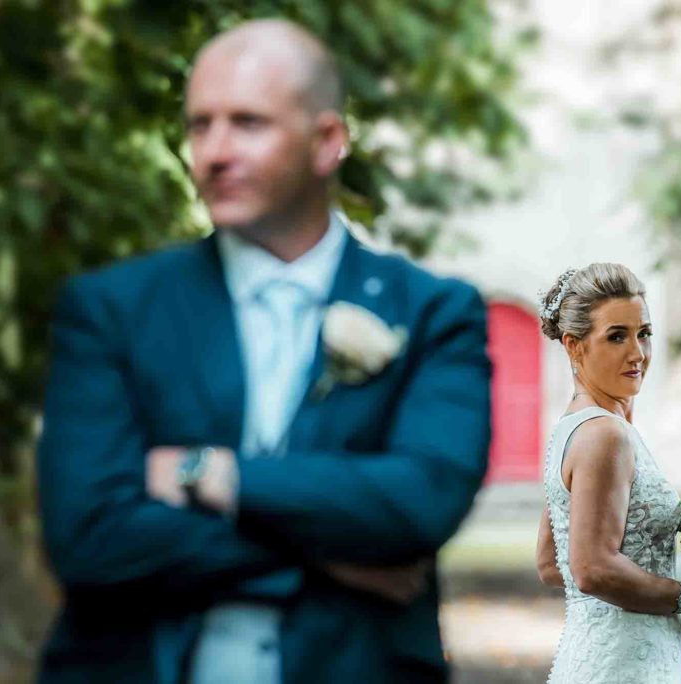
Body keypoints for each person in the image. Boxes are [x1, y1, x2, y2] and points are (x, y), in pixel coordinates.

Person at [35, 18, 491, 684]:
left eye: (247, 123)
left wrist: (211, 475)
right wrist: (329, 551)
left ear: (327, 141)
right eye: (199, 125)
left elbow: (422, 503)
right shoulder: (112, 309)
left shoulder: (429, 311)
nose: (213, 151)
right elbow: (89, 538)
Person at [534, 264, 681, 683]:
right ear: (575, 347)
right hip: (627, 668)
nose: (639, 353)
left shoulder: (574, 427)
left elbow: (550, 561)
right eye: (617, 336)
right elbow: (591, 568)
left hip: (609, 656)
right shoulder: (605, 436)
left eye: (644, 333)